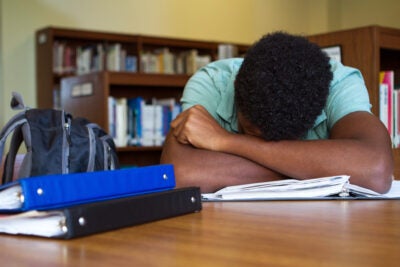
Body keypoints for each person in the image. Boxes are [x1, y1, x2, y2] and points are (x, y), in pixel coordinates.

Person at [160, 31, 394, 194]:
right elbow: (180, 172)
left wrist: (227, 141)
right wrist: (313, 167)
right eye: (250, 132)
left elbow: (376, 169)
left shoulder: (338, 83)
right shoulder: (213, 82)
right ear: (235, 90)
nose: (262, 144)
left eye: (283, 141)